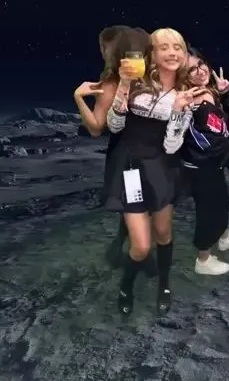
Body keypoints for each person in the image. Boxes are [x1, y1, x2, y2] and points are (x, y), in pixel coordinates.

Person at [104, 27, 206, 316]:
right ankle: (126, 286)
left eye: (178, 47)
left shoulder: (186, 94)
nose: (173, 52)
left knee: (163, 233)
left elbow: (173, 145)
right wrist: (123, 85)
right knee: (141, 245)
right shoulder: (136, 84)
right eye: (164, 47)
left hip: (162, 167)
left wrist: (178, 110)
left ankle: (164, 284)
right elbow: (114, 126)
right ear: (152, 53)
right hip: (131, 168)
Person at [73, 26, 157, 274]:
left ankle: (122, 247)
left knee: (144, 206)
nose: (101, 52)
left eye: (104, 47)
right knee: (137, 206)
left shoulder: (146, 80)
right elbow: (97, 128)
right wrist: (79, 98)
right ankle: (138, 257)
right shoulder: (111, 85)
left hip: (149, 157)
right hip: (131, 161)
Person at [166, 47, 229, 276]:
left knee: (221, 203)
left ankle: (224, 238)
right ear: (184, 75)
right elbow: (212, 143)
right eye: (191, 69)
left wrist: (228, 93)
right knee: (210, 212)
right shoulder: (194, 102)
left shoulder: (209, 93)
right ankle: (203, 260)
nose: (200, 70)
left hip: (210, 165)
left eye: (201, 64)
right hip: (200, 168)